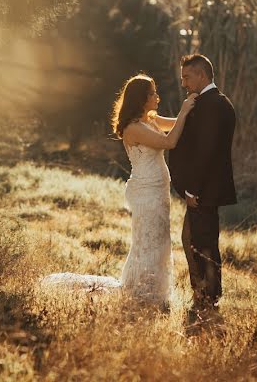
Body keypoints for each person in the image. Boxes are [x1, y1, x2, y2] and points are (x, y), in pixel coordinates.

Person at [40, 74, 196, 312]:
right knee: (148, 240)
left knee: (160, 241)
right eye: (153, 93)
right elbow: (169, 142)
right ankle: (141, 292)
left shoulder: (150, 119)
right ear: (141, 99)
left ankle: (155, 292)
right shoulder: (133, 128)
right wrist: (185, 111)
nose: (157, 97)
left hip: (159, 191)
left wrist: (192, 113)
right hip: (146, 192)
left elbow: (175, 125)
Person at [167, 54, 237, 324]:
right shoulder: (209, 102)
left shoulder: (212, 105)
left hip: (203, 190)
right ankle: (204, 295)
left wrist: (193, 189)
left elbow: (206, 152)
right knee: (192, 239)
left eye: (187, 77)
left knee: (202, 243)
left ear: (201, 76)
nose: (183, 82)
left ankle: (207, 299)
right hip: (203, 188)